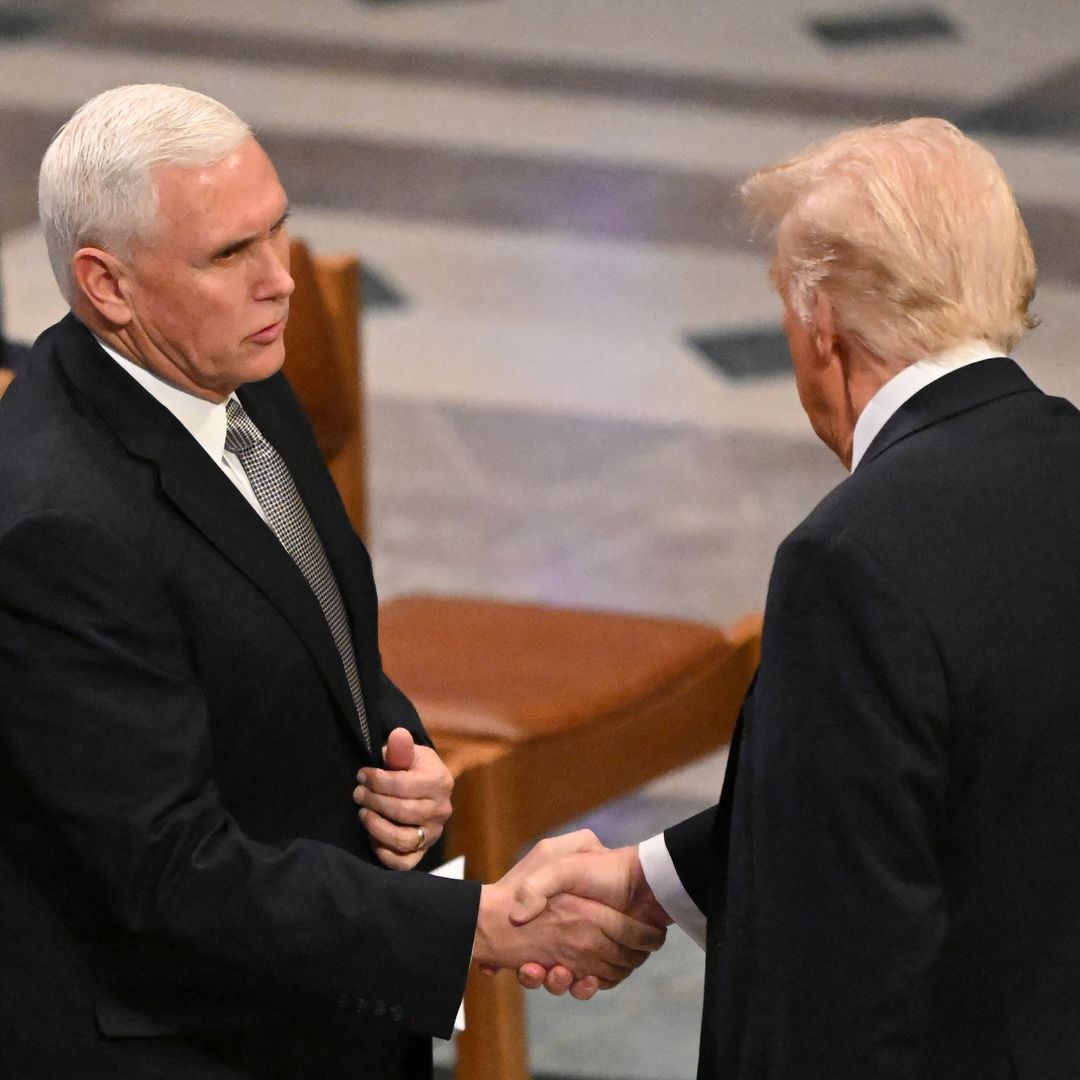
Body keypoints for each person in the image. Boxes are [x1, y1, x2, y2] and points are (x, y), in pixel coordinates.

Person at [0, 84, 664, 1080]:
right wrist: (470, 925)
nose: (282, 282)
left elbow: (318, 632)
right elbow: (169, 870)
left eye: (279, 233)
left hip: (317, 997)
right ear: (108, 285)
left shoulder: (237, 378)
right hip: (185, 1039)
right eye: (232, 254)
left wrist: (406, 759)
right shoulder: (56, 525)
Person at [512, 118, 1080, 1078]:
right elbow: (960, 800)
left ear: (820, 330)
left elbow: (836, 966)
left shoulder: (852, 560)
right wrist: (654, 881)